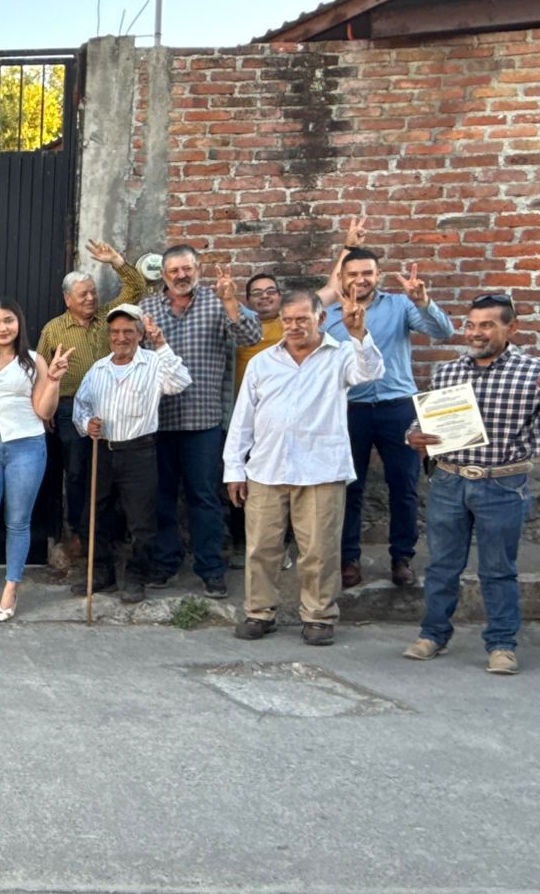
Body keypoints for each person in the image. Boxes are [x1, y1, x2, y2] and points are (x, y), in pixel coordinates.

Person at [403, 296, 540, 674]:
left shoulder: (536, 372)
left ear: (510, 328)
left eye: (487, 325)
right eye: (471, 325)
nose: (476, 332)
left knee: (498, 569)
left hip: (502, 485)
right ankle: (433, 634)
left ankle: (501, 644)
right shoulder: (448, 372)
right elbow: (423, 424)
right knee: (441, 567)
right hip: (449, 481)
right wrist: (413, 436)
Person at [226, 289, 385, 646]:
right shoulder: (263, 362)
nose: (294, 327)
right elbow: (243, 419)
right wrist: (234, 468)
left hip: (321, 468)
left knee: (319, 550)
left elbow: (372, 371)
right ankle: (258, 612)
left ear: (321, 319)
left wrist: (359, 334)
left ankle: (318, 616)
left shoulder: (341, 355)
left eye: (302, 319)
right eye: (287, 320)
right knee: (261, 548)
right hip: (266, 467)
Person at [317, 225, 456, 589]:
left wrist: (423, 301)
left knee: (404, 484)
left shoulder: (400, 304)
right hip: (349, 409)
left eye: (367, 273)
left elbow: (444, 333)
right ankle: (348, 559)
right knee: (348, 485)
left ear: (377, 276)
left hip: (399, 407)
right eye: (353, 273)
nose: (360, 279)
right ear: (342, 278)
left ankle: (402, 558)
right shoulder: (328, 314)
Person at [139, 245, 262, 597]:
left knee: (204, 498)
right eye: (174, 270)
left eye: (187, 269)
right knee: (161, 498)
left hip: (203, 421)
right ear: (163, 275)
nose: (181, 275)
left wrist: (231, 302)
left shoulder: (216, 302)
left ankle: (211, 569)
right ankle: (165, 563)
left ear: (198, 269)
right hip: (157, 422)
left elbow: (250, 337)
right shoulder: (147, 309)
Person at [0, 299, 70, 621]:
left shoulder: (34, 361)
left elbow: (44, 412)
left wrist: (54, 379)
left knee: (18, 521)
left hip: (26, 446)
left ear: (18, 324)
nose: (2, 327)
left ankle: (10, 587)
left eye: (8, 320)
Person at [72, 305, 192, 604]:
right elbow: (80, 405)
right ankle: (101, 574)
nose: (120, 337)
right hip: (103, 450)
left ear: (140, 335)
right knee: (94, 515)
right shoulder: (98, 369)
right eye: (115, 331)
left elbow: (179, 382)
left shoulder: (153, 363)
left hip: (139, 450)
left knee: (141, 520)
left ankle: (136, 575)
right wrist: (87, 423)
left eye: (128, 331)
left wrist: (161, 343)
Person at [35, 240, 146, 560]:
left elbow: (136, 289)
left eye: (93, 292)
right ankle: (81, 536)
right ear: (67, 299)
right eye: (83, 294)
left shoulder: (108, 318)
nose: (91, 298)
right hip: (71, 410)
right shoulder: (54, 330)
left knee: (115, 471)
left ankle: (112, 535)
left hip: (115, 406)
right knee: (77, 473)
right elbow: (40, 371)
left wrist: (116, 261)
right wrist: (45, 408)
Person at [227, 273, 287, 560]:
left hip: (282, 419)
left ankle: (282, 545)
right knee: (240, 479)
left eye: (270, 291)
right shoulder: (240, 325)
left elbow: (329, 290)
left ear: (279, 296)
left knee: (283, 483)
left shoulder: (292, 325)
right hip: (244, 417)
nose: (264, 296)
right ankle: (242, 542)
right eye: (257, 293)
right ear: (248, 301)